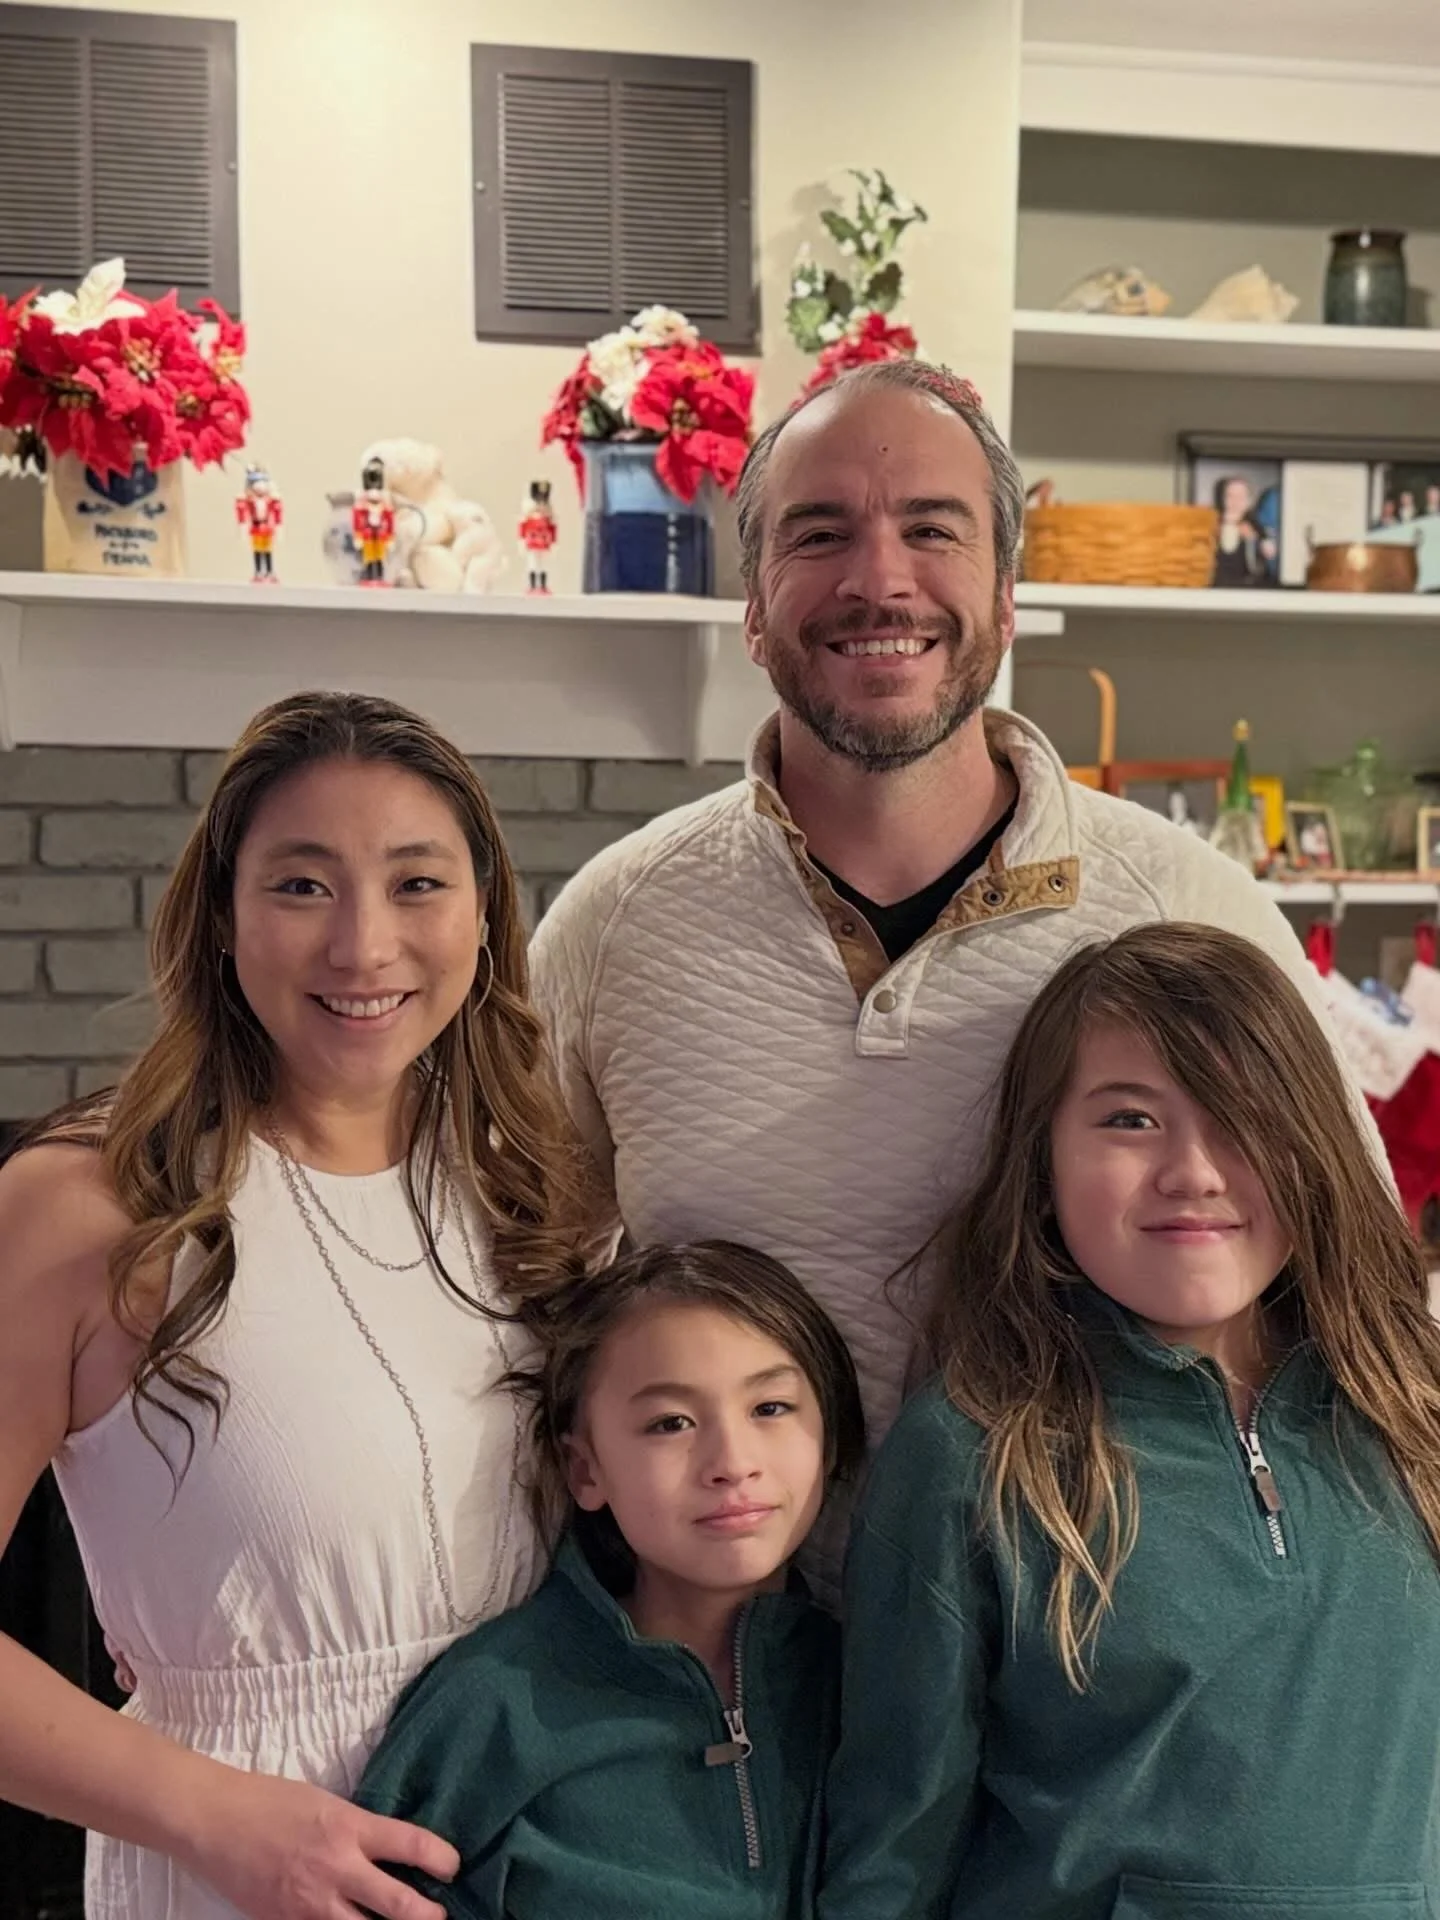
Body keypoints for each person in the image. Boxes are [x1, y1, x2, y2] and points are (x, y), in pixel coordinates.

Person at [528, 358, 1366, 1583]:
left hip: (1097, 1652)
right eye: (821, 533)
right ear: (752, 607)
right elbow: (520, 1296)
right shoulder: (614, 924)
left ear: (1007, 596)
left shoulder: (1189, 907)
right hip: (727, 1658)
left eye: (933, 529)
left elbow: (1351, 1291)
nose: (880, 580)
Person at [0, 691, 598, 1920]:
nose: (364, 948)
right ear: (221, 918)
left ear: (484, 916)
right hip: (235, 1878)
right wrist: (218, 1817)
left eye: (417, 884)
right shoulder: (89, 1207)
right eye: (302, 886)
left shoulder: (525, 1188)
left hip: (529, 1853)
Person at [820, 922, 1440, 1918]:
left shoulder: (1410, 1408)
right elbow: (893, 1851)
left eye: (1244, 1116)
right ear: (1043, 1162)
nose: (1194, 1171)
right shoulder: (970, 1454)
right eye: (1130, 1120)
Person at [354, 1240, 865, 1918]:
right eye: (670, 1423)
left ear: (829, 1437)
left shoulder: (866, 1685)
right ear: (585, 1471)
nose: (733, 1461)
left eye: (770, 1408)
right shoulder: (496, 1700)